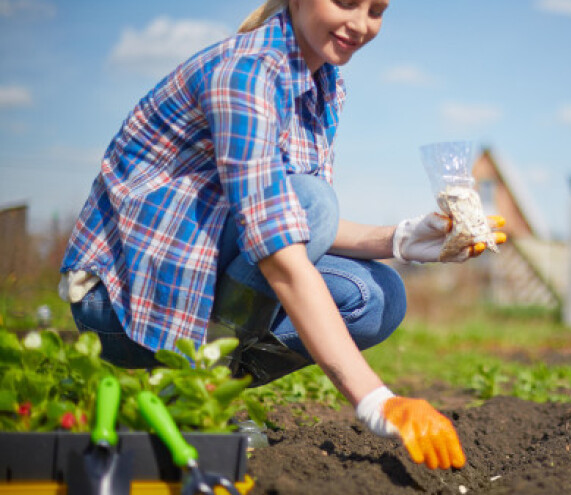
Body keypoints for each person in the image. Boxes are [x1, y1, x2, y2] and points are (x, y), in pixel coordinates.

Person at [59, 0, 505, 471]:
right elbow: (284, 247)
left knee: (378, 296)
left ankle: (194, 385)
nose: (361, 24)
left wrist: (403, 240)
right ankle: (193, 390)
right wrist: (375, 400)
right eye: (346, 2)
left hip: (194, 284)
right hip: (122, 302)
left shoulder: (323, 86)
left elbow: (292, 223)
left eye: (376, 10)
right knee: (315, 201)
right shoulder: (246, 73)